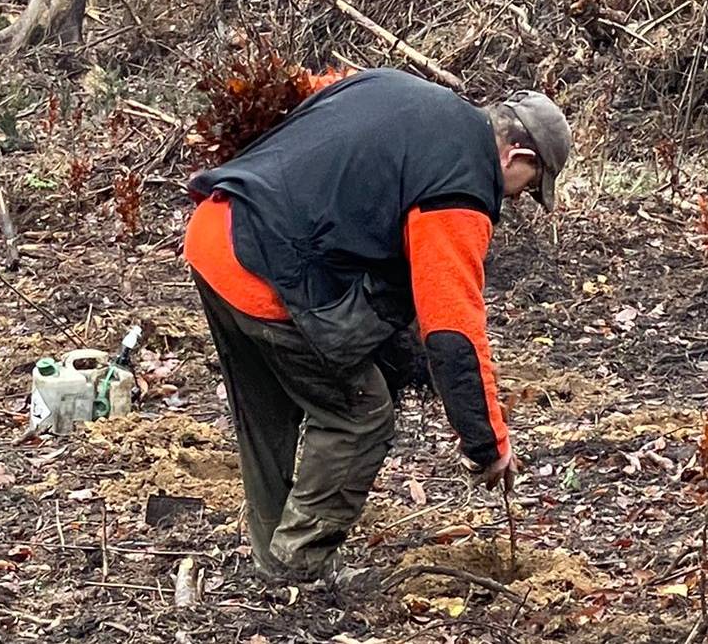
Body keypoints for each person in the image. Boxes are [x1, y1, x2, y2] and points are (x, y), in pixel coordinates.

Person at [181, 68, 572, 583]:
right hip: (268, 273)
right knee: (360, 414)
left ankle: (274, 559)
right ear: (515, 157)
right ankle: (298, 565)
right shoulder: (463, 180)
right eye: (527, 187)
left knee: (269, 410)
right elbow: (452, 327)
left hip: (217, 231)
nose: (517, 199)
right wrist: (488, 442)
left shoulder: (398, 90)